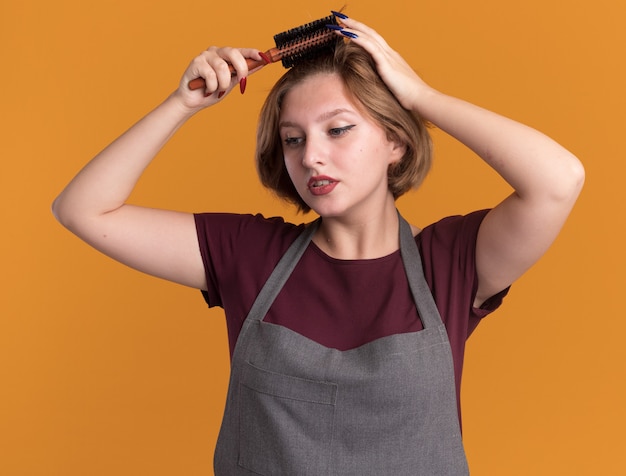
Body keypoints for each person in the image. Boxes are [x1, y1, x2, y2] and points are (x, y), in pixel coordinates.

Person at [52, 11, 584, 475]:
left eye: (339, 129)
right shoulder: (248, 254)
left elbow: (558, 180)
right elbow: (82, 209)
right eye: (294, 138)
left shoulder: (451, 263)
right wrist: (180, 104)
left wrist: (421, 96)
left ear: (395, 140)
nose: (311, 157)